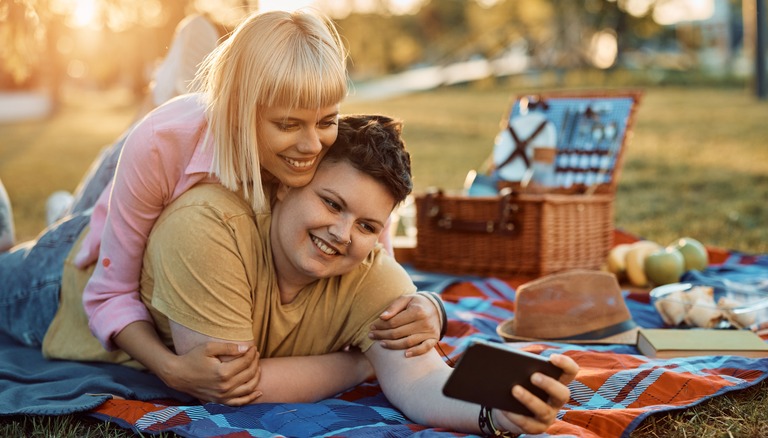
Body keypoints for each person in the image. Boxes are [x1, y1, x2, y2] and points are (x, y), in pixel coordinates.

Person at [1, 9, 444, 405]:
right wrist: (169, 367)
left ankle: (70, 203)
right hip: (69, 267)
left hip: (136, 226)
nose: (313, 146)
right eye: (289, 124)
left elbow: (375, 263)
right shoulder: (165, 143)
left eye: (327, 120)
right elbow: (107, 293)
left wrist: (429, 308)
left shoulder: (322, 143)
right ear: (241, 109)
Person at [113, 114, 577, 435]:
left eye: (367, 225)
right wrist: (361, 361)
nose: (341, 233)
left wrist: (494, 414)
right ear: (284, 187)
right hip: (61, 280)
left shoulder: (371, 271)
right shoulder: (210, 228)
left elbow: (420, 381)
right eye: (331, 203)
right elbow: (226, 385)